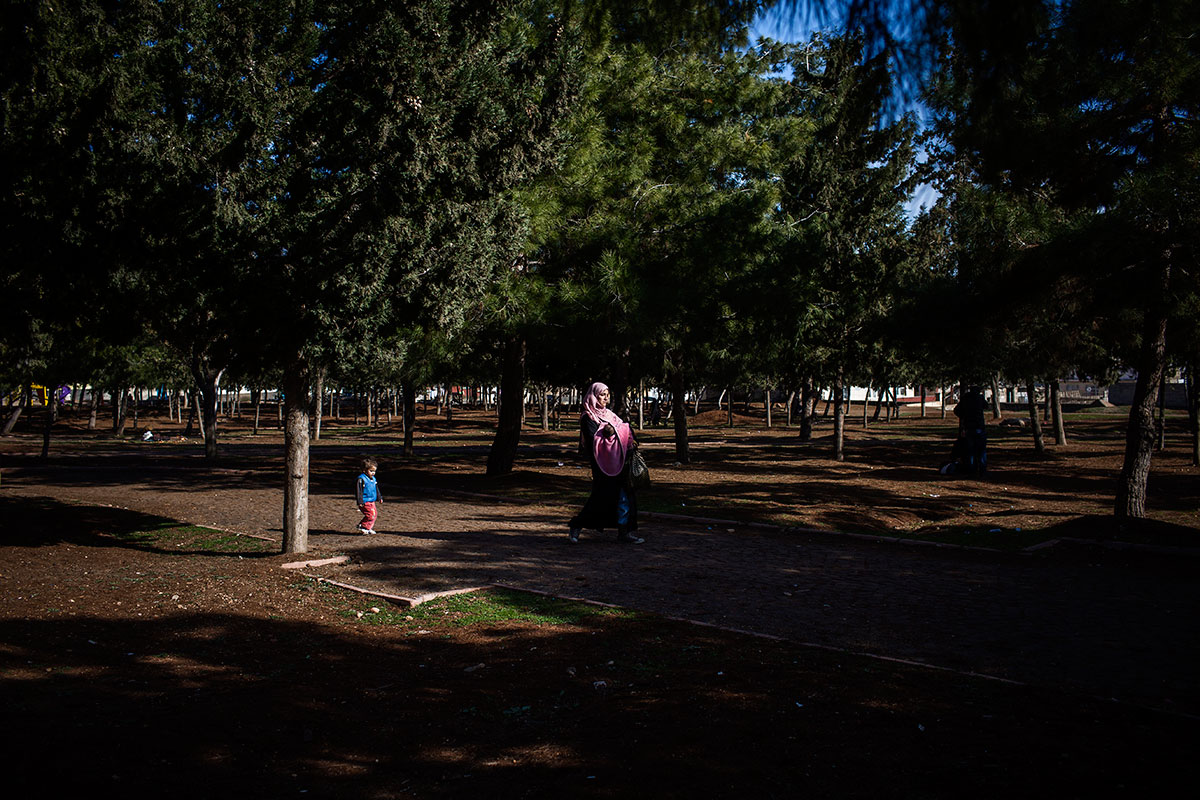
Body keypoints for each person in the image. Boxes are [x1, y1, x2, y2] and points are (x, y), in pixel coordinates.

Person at [568, 382, 643, 544]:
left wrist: (619, 433)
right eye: (602, 394)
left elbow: (626, 429)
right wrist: (613, 432)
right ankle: (577, 525)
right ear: (594, 395)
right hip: (602, 465)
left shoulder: (610, 415)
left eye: (607, 394)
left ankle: (625, 532)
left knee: (625, 497)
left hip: (621, 463)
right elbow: (593, 438)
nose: (606, 398)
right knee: (600, 498)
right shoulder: (588, 417)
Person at [953, 386, 988, 476]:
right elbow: (986, 406)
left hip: (969, 427)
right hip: (979, 427)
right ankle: (982, 470)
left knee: (970, 450)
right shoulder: (980, 398)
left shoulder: (965, 399)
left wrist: (964, 417)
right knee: (981, 450)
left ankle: (971, 469)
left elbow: (956, 410)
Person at [355, 457, 382, 534]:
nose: (373, 473)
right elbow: (359, 491)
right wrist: (360, 501)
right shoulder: (361, 479)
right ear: (364, 470)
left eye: (374, 471)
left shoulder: (373, 479)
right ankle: (363, 525)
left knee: (374, 514)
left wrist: (379, 497)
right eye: (371, 471)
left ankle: (368, 527)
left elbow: (376, 489)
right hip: (365, 501)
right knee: (370, 514)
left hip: (372, 500)